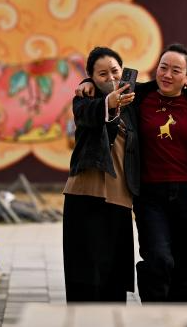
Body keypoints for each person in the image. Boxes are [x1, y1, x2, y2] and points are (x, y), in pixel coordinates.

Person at [77, 43, 187, 303]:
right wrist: (87, 81)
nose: (167, 75)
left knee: (182, 268)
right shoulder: (138, 96)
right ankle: (154, 315)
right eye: (163, 67)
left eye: (175, 70)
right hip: (150, 196)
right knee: (157, 260)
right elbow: (108, 85)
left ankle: (176, 315)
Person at [62, 46, 138, 302]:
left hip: (120, 197)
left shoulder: (134, 99)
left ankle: (113, 318)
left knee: (114, 276)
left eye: (115, 71)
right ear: (92, 77)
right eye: (102, 74)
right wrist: (107, 102)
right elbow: (85, 116)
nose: (111, 78)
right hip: (84, 192)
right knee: (82, 271)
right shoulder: (84, 100)